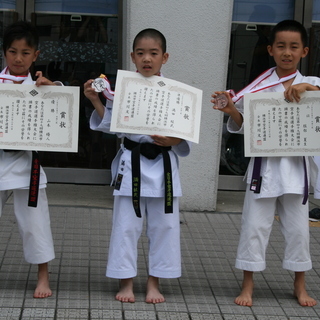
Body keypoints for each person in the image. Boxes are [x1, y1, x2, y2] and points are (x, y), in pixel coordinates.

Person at [211, 20, 320, 307]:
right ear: (270, 50)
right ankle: (248, 284)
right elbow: (244, 125)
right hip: (265, 169)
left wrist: (308, 88)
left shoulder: (315, 85)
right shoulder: (259, 88)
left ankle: (300, 285)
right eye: (281, 46)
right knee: (254, 227)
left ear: (304, 51)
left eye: (294, 47)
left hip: (297, 171)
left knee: (298, 231)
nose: (287, 52)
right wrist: (231, 108)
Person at [84, 28, 191, 304]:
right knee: (126, 226)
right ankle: (126, 281)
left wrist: (171, 139)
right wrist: (96, 99)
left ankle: (154, 282)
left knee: (164, 226)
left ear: (164, 57)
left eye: (153, 53)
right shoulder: (124, 89)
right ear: (132, 56)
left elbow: (184, 137)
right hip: (131, 165)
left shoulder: (176, 93)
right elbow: (110, 124)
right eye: (141, 53)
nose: (147, 59)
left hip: (164, 166)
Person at [0, 21, 60, 298]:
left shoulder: (40, 85)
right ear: (4, 53)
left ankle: (43, 277)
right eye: (13, 51)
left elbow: (61, 104)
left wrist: (52, 88)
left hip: (27, 164)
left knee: (35, 222)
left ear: (36, 55)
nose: (18, 58)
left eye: (25, 53)